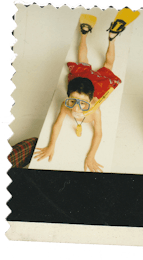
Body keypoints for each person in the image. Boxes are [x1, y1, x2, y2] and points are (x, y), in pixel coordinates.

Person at [34, 15, 122, 173]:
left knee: (105, 65)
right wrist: (51, 145)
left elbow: (99, 133)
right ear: (68, 97)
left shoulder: (95, 110)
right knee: (82, 61)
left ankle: (112, 39)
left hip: (96, 87)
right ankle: (84, 33)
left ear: (92, 100)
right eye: (72, 101)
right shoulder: (66, 106)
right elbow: (57, 124)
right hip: (83, 84)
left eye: (82, 103)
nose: (76, 107)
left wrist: (91, 156)